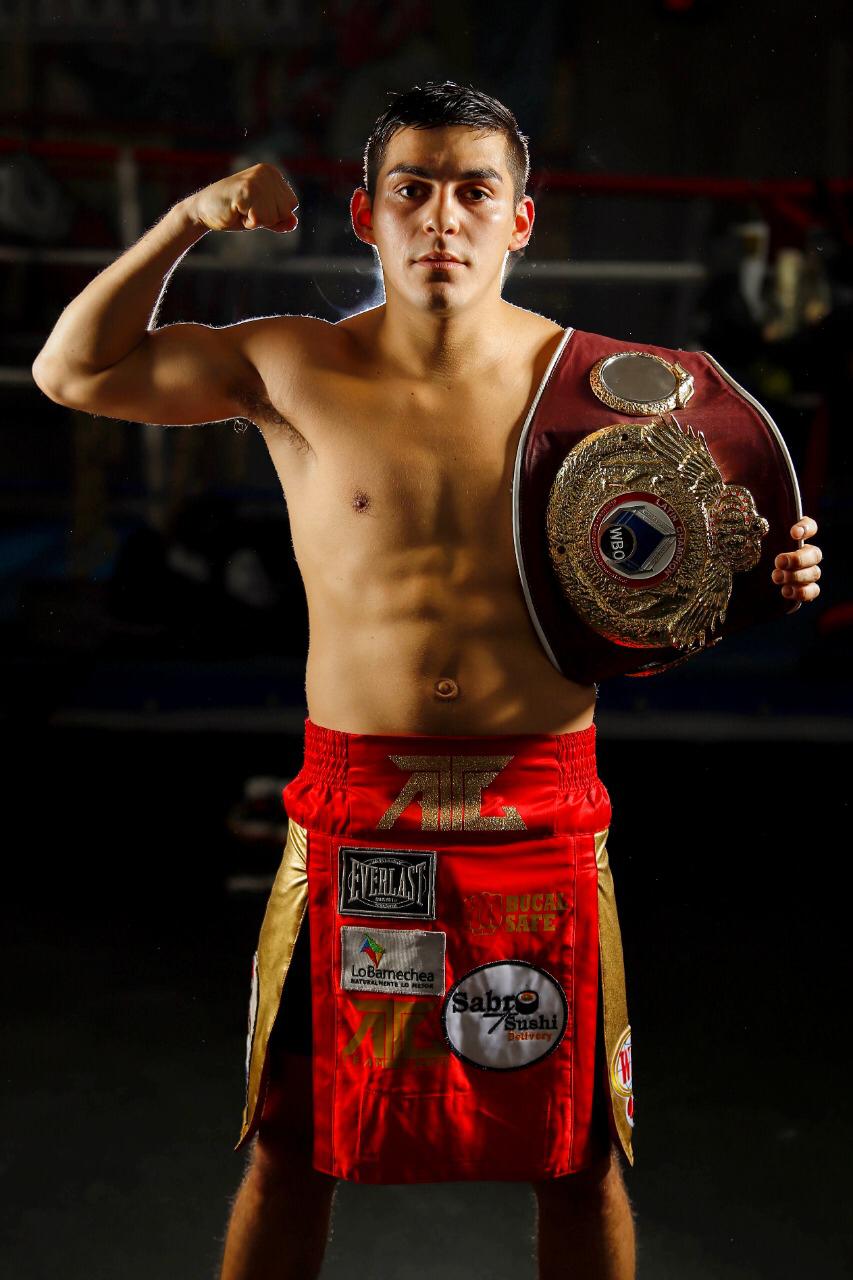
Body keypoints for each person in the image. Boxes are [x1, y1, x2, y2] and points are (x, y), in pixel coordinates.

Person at [32, 82, 823, 1280]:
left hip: (540, 809)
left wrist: (775, 567)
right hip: (356, 811)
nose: (441, 216)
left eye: (473, 191)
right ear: (366, 215)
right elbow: (73, 371)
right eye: (411, 189)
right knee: (292, 1149)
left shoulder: (602, 390)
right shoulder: (291, 363)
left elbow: (706, 544)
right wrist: (187, 221)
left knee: (580, 1159)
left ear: (519, 221)